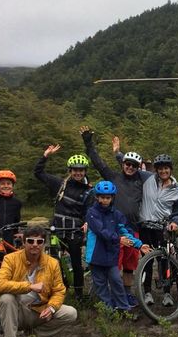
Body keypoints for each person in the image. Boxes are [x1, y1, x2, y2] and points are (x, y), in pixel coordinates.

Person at [81, 128, 150, 306]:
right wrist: (88, 142)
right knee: (113, 266)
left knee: (129, 266)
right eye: (127, 164)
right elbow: (98, 162)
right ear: (123, 164)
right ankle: (107, 297)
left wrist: (118, 153)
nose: (130, 167)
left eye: (134, 165)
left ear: (138, 168)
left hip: (132, 229)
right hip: (114, 231)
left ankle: (125, 295)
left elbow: (160, 178)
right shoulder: (113, 177)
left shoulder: (141, 180)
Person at [0, 225, 78, 337]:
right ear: (24, 242)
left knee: (71, 313)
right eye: (30, 241)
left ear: (43, 244)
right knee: (6, 298)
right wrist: (29, 286)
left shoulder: (52, 263)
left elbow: (59, 290)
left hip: (39, 310)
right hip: (17, 310)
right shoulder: (11, 259)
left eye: (39, 242)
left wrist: (52, 307)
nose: (35, 245)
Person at [34, 144, 91, 301]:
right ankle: (57, 288)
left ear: (85, 171)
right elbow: (38, 173)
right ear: (70, 171)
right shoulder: (60, 184)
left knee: (75, 261)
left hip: (74, 231)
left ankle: (79, 294)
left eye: (81, 170)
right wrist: (45, 156)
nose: (78, 173)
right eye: (75, 170)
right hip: (57, 229)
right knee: (53, 261)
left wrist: (86, 222)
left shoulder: (88, 191)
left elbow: (88, 211)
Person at [85, 180, 150, 311]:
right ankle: (109, 310)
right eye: (102, 197)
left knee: (116, 281)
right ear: (97, 197)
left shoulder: (117, 214)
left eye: (107, 197)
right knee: (101, 285)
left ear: (112, 198)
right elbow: (101, 231)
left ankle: (124, 308)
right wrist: (119, 239)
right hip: (96, 255)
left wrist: (139, 245)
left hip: (110, 255)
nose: (104, 200)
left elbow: (125, 231)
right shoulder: (92, 213)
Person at [133, 152, 178, 307]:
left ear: (171, 169)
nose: (163, 171)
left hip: (163, 228)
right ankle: (147, 291)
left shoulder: (177, 188)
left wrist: (174, 222)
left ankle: (167, 293)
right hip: (145, 227)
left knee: (164, 261)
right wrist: (117, 152)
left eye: (166, 168)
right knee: (147, 262)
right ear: (156, 170)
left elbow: (177, 211)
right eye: (160, 169)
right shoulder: (147, 179)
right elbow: (130, 166)